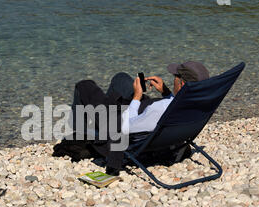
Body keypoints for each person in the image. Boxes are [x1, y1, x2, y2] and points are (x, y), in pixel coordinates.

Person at [54, 61, 209, 175]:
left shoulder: (158, 110)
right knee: (120, 79)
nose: (173, 78)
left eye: (175, 76)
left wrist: (136, 97)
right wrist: (166, 92)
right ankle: (106, 106)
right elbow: (169, 108)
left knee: (85, 85)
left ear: (181, 84)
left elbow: (126, 127)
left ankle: (78, 129)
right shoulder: (197, 104)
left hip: (117, 125)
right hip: (146, 116)